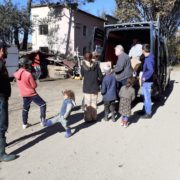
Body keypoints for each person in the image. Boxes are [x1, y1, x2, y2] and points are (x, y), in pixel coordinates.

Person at [14, 57, 46, 129]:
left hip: (24, 94)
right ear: (24, 65)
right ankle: (43, 121)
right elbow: (34, 85)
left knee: (25, 108)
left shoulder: (16, 73)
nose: (29, 65)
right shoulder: (28, 74)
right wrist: (34, 79)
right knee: (43, 104)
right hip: (31, 93)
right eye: (28, 64)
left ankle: (24, 124)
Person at [0, 39, 16, 161]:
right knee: (2, 124)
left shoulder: (2, 62)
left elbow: (6, 79)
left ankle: (2, 144)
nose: (6, 51)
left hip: (2, 97)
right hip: (1, 98)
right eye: (5, 49)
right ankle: (1, 154)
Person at [81, 52, 103, 122]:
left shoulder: (83, 66)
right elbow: (101, 77)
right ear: (91, 57)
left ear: (85, 58)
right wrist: (98, 82)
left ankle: (88, 118)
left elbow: (82, 75)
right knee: (94, 103)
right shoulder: (96, 65)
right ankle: (94, 117)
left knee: (87, 104)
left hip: (86, 87)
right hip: (95, 87)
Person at [140, 44, 155, 119]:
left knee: (147, 97)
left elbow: (151, 70)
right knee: (145, 97)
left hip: (147, 82)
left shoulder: (149, 59)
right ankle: (145, 110)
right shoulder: (147, 57)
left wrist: (145, 78)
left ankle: (148, 113)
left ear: (143, 50)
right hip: (146, 82)